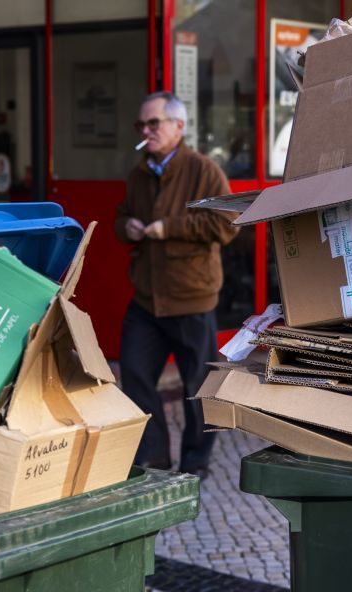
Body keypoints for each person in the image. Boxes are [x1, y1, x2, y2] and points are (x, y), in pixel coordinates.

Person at [114, 91, 237, 479]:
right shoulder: (137, 174)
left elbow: (227, 224)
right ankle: (154, 453)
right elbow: (121, 218)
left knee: (198, 387)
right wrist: (128, 227)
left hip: (191, 297)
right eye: (142, 125)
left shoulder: (203, 170)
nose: (146, 131)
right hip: (147, 299)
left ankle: (195, 461)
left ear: (178, 127)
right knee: (134, 374)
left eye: (154, 123)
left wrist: (171, 228)